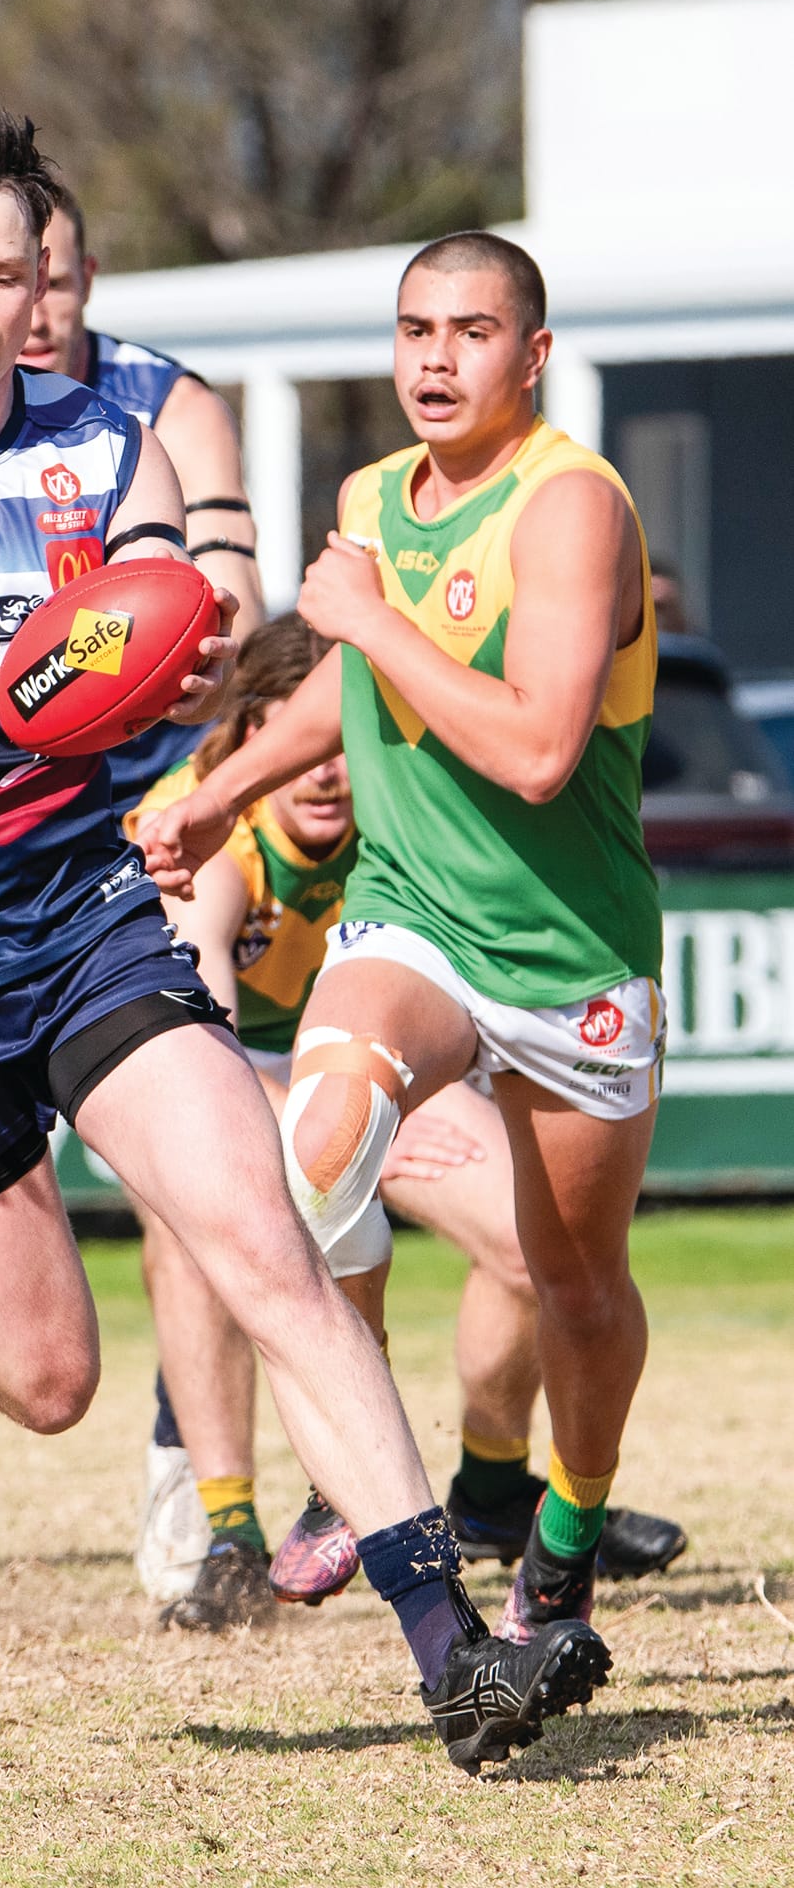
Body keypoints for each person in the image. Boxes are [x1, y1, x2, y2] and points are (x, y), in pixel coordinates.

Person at [0, 110, 608, 1772]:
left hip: (82, 919)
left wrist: (191, 647)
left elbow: (163, 619)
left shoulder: (108, 442)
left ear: (41, 285)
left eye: (3, 273)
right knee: (52, 1374)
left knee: (264, 1240)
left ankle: (451, 1657)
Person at [144, 230, 665, 1650]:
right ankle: (367, 1509)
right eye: (414, 329)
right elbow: (351, 700)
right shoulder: (375, 492)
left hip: (572, 952)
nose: (436, 358)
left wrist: (366, 616)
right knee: (314, 1153)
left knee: (578, 1288)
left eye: (472, 331)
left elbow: (543, 749)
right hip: (414, 922)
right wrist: (218, 797)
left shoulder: (570, 509)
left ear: (533, 357)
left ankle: (561, 1538)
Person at [0, 181, 272, 1593]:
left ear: (67, 281)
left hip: (153, 815)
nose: (25, 312)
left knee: (201, 1159)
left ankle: (194, 1493)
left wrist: (194, 639)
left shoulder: (159, 411)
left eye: (51, 283)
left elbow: (226, 601)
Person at [123, 618, 685, 1629]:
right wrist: (323, 1108)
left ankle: (491, 1483)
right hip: (219, 1068)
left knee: (533, 1244)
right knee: (190, 1228)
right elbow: (192, 1050)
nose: (328, 768)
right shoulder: (204, 833)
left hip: (378, 1054)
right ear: (248, 736)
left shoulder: (407, 814)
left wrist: (392, 1095)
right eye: (298, 735)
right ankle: (228, 1529)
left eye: (350, 737)